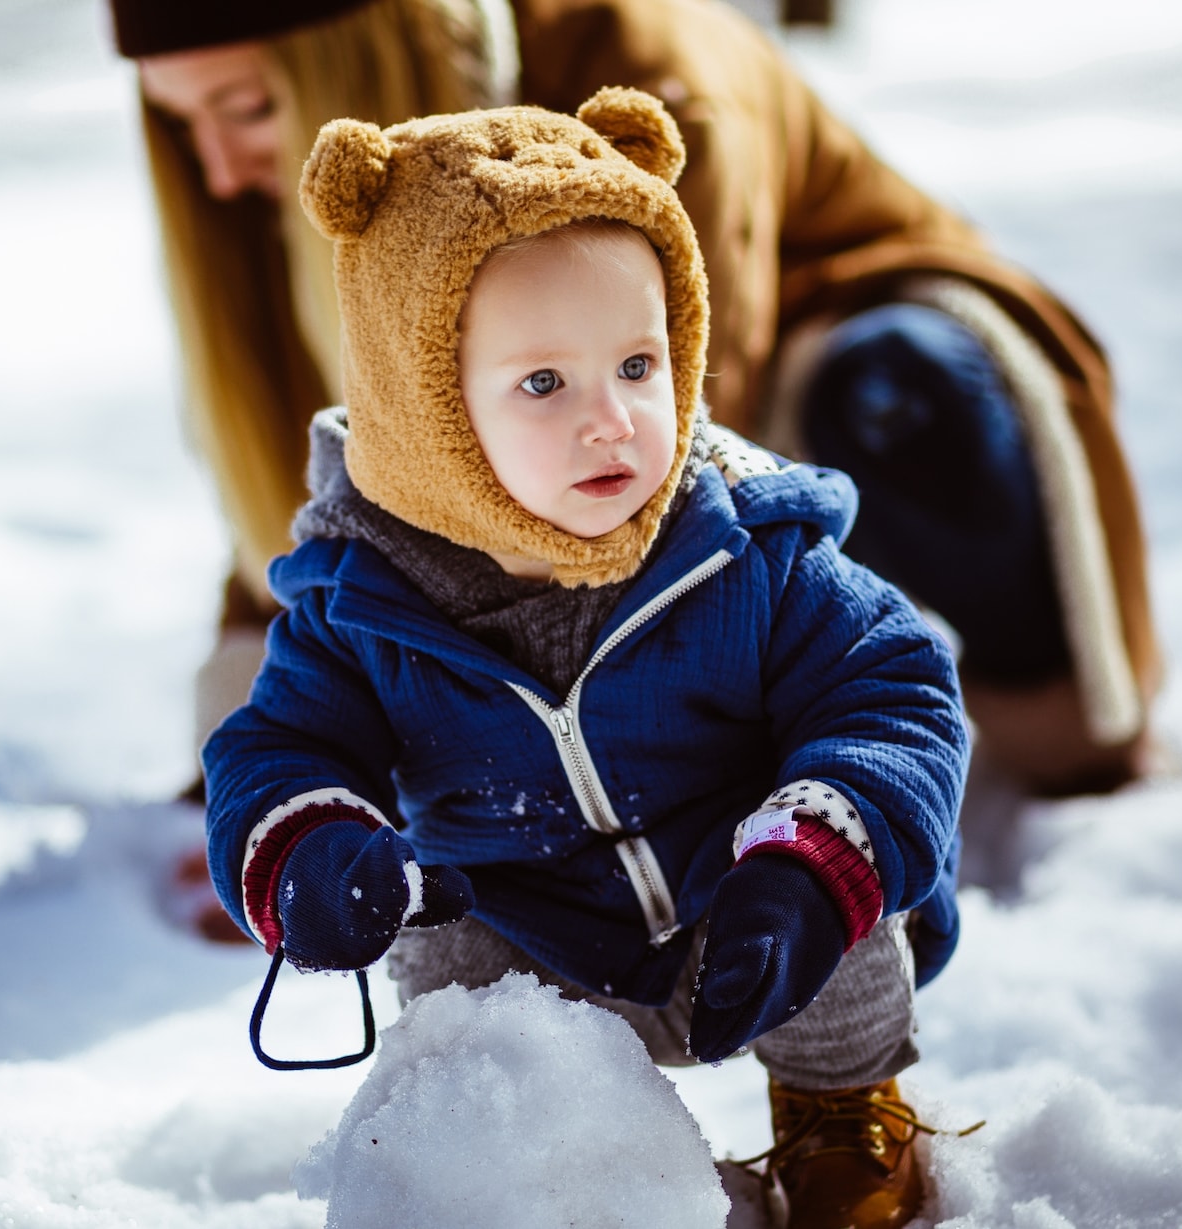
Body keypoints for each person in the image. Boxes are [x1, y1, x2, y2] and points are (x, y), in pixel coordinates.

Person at [204, 92, 970, 1229]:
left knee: (837, 873)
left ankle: (840, 1113)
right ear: (427, 413)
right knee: (455, 982)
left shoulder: (749, 552)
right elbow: (278, 745)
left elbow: (893, 690)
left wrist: (809, 858)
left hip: (743, 906)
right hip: (530, 935)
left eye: (636, 363)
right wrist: (313, 851)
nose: (610, 419)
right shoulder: (365, 602)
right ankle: (548, 1173)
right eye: (542, 383)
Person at [114, 0, 1163, 802]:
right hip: (570, 440)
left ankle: (1027, 723)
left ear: (365, 49)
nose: (214, 170)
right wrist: (276, 761)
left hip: (799, 393)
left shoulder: (644, 70)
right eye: (181, 124)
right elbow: (363, 450)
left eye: (246, 107)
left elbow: (674, 422)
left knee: (882, 385)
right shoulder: (319, 184)